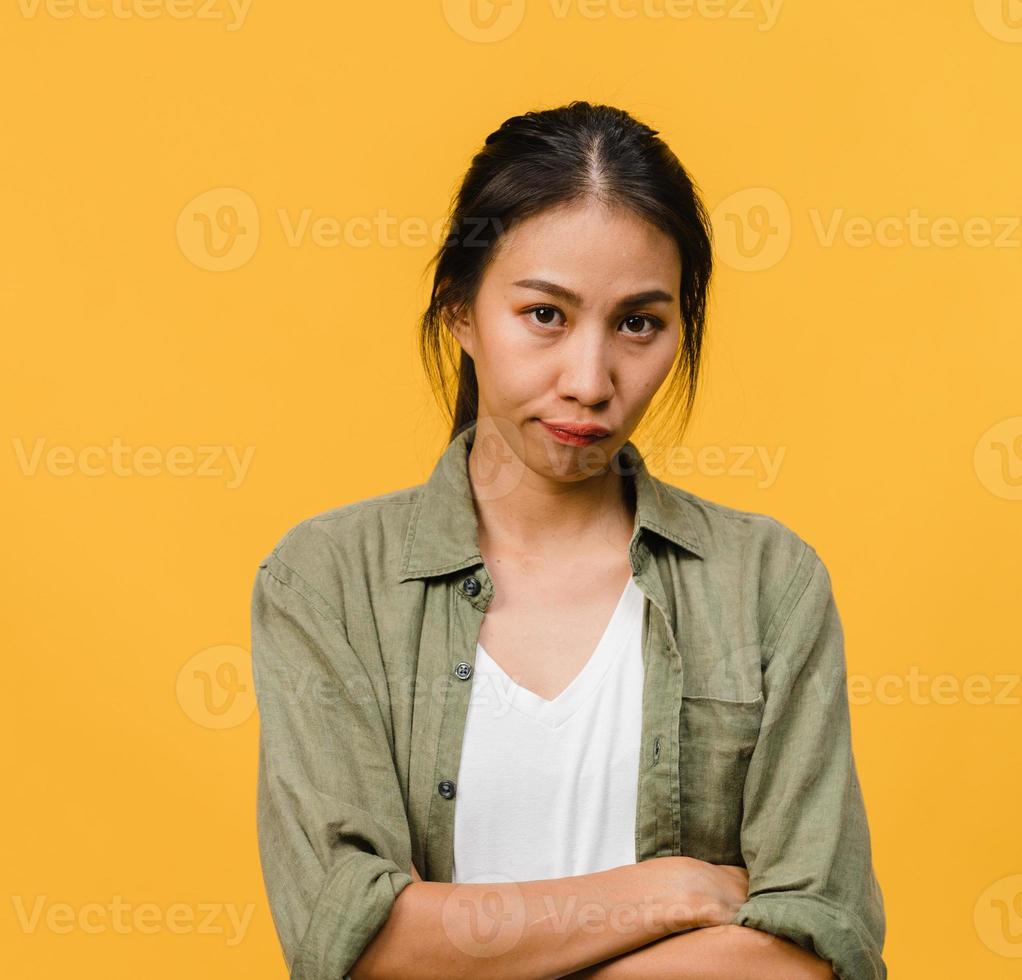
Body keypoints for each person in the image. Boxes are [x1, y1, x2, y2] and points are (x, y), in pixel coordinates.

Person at [249, 101, 885, 979]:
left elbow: (817, 948)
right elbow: (355, 941)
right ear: (460, 314)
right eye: (545, 315)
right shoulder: (327, 581)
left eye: (638, 323)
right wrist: (664, 889)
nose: (590, 382)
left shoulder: (766, 583)